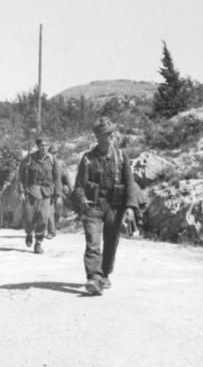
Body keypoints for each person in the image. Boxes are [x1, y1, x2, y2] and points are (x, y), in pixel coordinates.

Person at [73, 117, 141, 296]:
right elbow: (79, 185)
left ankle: (105, 273)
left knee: (111, 242)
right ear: (98, 136)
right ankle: (94, 277)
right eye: (107, 133)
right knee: (93, 243)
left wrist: (130, 207)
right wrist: (82, 201)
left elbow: (129, 182)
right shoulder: (87, 158)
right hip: (94, 206)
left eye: (112, 132)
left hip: (115, 205)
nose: (112, 135)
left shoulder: (121, 156)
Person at [16, 138, 61, 254]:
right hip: (31, 191)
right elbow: (20, 176)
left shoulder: (52, 159)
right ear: (38, 146)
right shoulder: (29, 158)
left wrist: (57, 193)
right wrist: (21, 191)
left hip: (46, 192)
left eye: (46, 145)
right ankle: (29, 232)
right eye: (42, 145)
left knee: (43, 217)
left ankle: (38, 242)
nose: (44, 147)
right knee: (29, 217)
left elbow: (57, 177)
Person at [46, 145, 73, 240]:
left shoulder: (61, 163)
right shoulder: (45, 163)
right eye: (51, 153)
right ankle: (51, 231)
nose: (53, 155)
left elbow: (66, 176)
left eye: (54, 153)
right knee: (49, 211)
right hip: (47, 191)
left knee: (58, 208)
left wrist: (70, 188)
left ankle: (55, 224)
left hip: (58, 190)